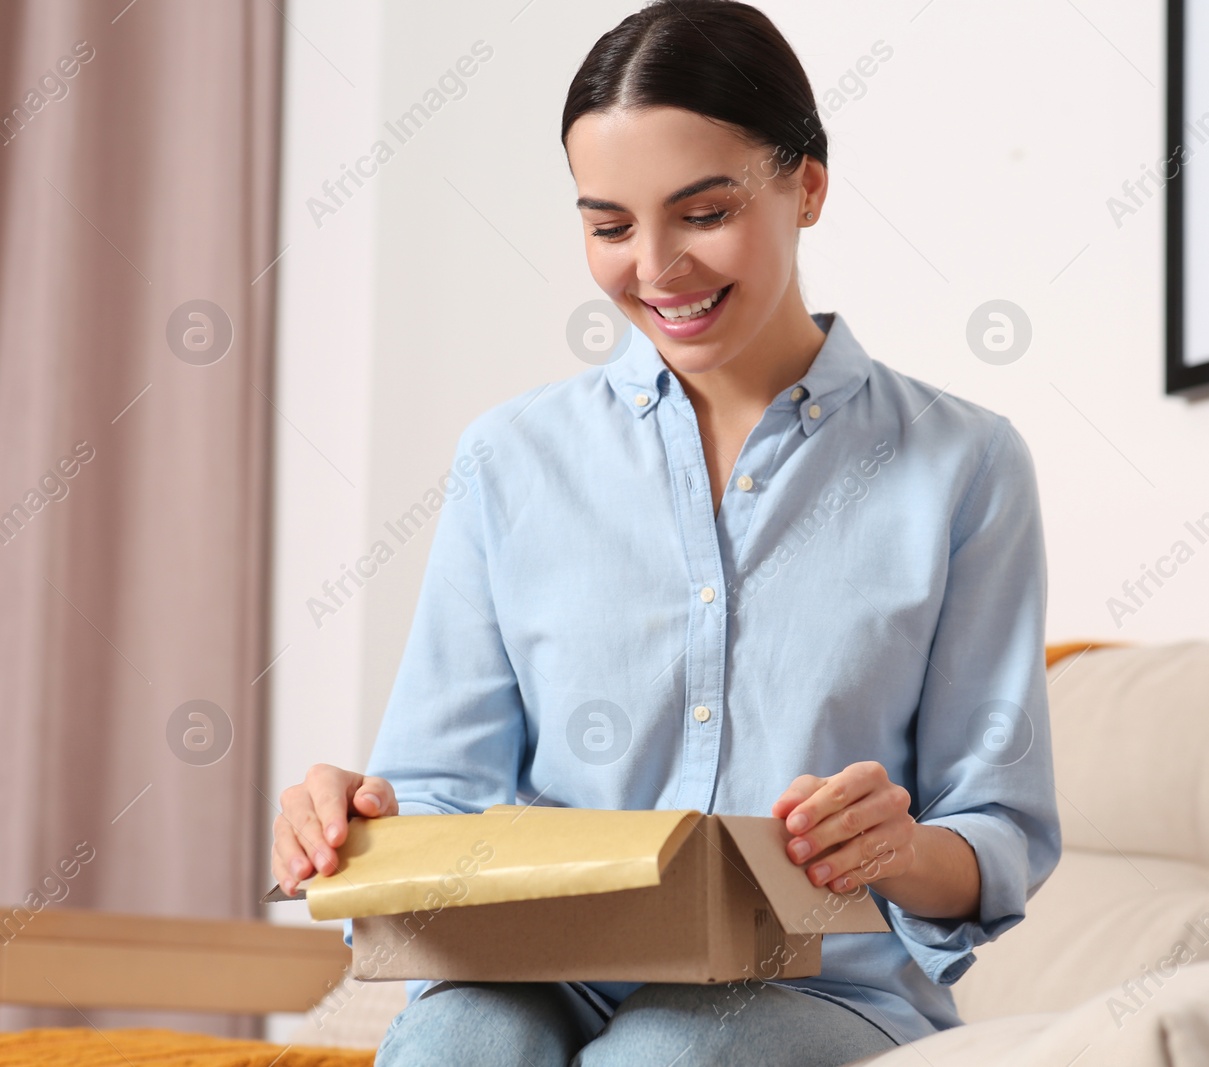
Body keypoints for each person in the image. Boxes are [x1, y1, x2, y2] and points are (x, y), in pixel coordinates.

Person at [270, 1, 1061, 1063]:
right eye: (608, 226)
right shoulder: (510, 460)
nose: (654, 267)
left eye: (701, 213)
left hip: (818, 989)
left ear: (806, 186)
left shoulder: (963, 464)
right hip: (536, 965)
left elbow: (998, 828)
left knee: (664, 1052)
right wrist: (353, 814)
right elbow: (444, 794)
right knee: (453, 1040)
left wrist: (901, 845)